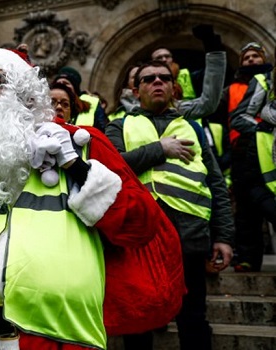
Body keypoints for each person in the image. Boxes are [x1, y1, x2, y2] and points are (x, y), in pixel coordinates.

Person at [0, 13, 182, 350]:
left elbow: (139, 225)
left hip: (61, 332)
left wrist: (77, 169)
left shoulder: (78, 142)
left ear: (25, 90)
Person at [105, 60, 234, 350]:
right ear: (135, 91)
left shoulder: (194, 128)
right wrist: (160, 149)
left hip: (189, 236)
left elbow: (215, 184)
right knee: (139, 324)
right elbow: (111, 169)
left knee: (194, 319)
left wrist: (224, 237)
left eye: (163, 78)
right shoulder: (120, 125)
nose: (157, 82)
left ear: (174, 88)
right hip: (141, 240)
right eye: (148, 79)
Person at [229, 44, 275, 272]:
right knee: (247, 208)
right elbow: (231, 119)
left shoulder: (267, 79)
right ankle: (248, 257)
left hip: (268, 151)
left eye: (255, 56)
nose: (251, 60)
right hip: (243, 151)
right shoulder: (232, 88)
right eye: (246, 57)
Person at [53, 66, 108, 132]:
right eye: (58, 83)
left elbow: (103, 129)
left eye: (66, 83)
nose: (62, 86)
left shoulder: (92, 102)